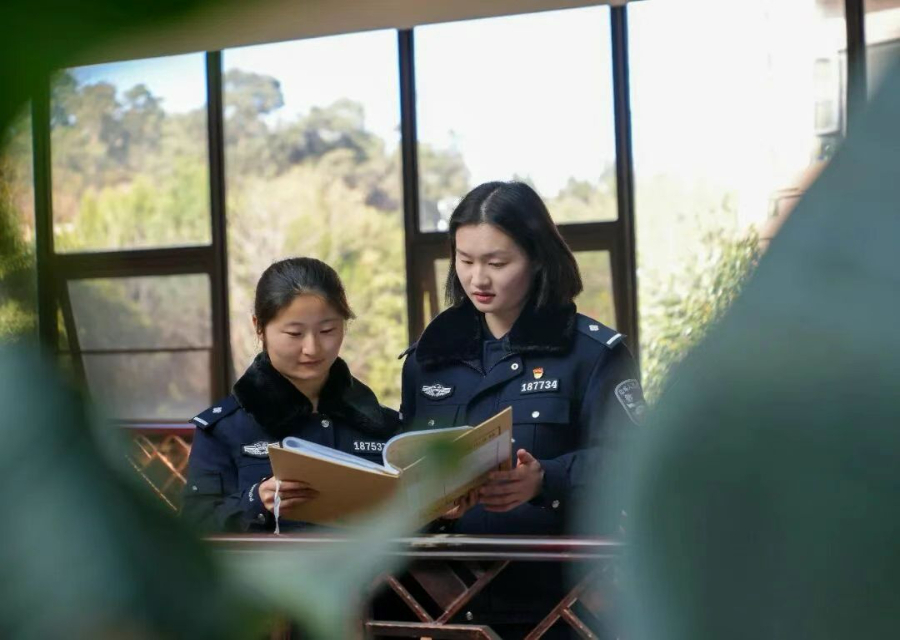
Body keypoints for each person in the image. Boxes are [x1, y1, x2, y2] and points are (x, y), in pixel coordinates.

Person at [399, 181, 646, 636]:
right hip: (449, 607)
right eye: (465, 260)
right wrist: (433, 501)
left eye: (497, 263)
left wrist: (545, 478)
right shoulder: (427, 359)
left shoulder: (593, 354)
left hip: (564, 605)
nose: (478, 279)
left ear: (537, 258)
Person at [182, 257, 399, 533]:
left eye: (327, 330)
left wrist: (439, 511)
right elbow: (194, 527)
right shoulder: (223, 429)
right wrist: (255, 501)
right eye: (295, 334)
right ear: (259, 327)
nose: (312, 348)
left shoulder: (384, 425)